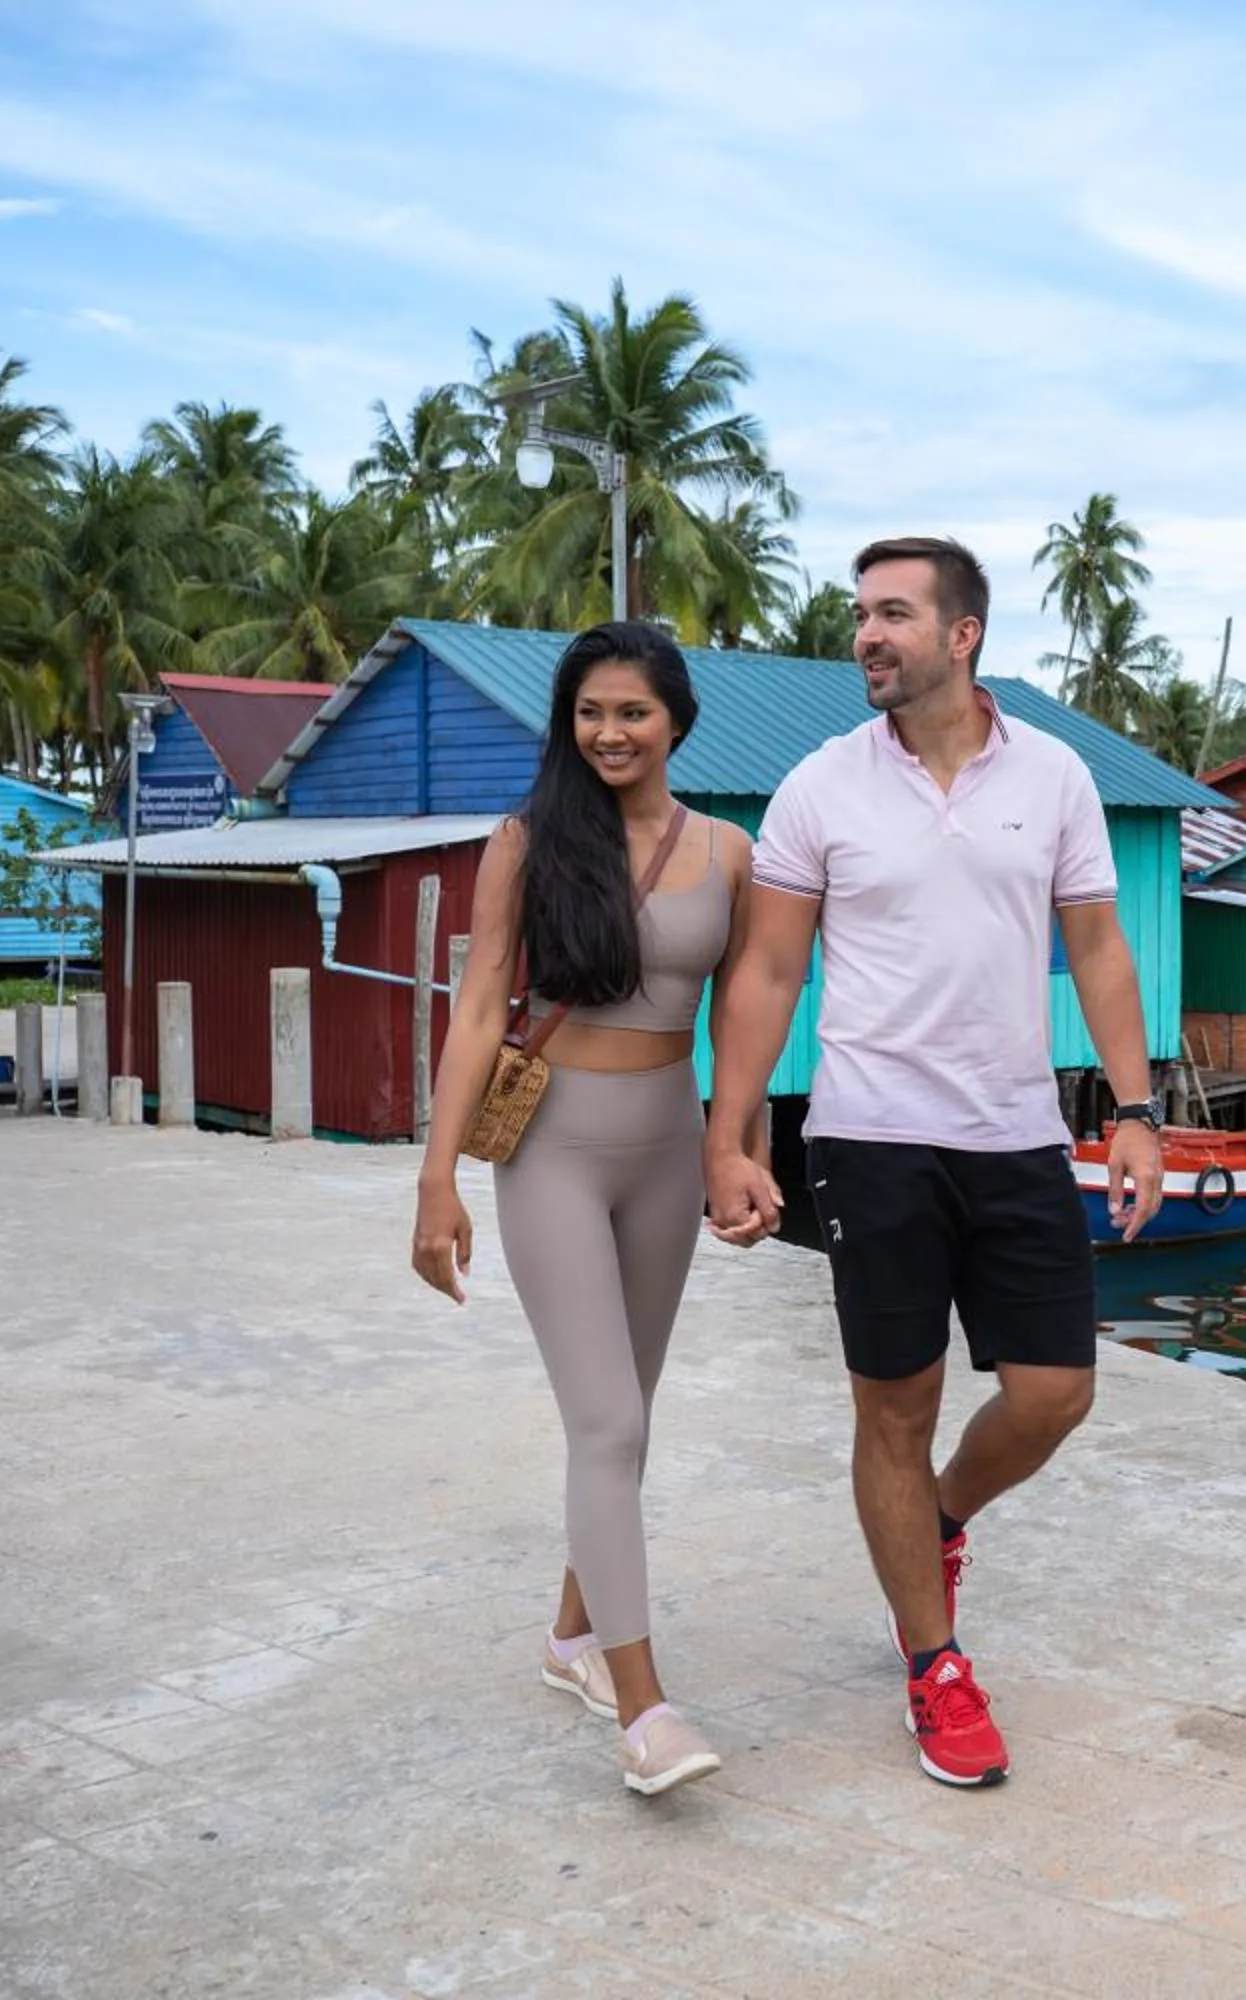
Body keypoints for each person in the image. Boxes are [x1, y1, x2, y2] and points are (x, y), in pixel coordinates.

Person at [704, 536, 1164, 1791]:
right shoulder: (819, 786)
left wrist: (1136, 1108)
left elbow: (1102, 948)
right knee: (891, 1404)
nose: (867, 633)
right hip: (869, 1135)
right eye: (861, 613)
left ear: (962, 634)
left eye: (894, 613)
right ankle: (933, 1663)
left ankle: (943, 1517)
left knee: (1057, 1390)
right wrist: (731, 1133)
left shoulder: (1056, 777)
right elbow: (765, 971)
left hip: (1017, 1130)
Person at [411, 622, 757, 1798]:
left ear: (677, 720)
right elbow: (475, 1013)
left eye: (633, 712)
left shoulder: (729, 852)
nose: (609, 733)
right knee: (607, 1423)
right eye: (589, 712)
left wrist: (733, 1153)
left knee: (630, 1415)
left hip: (666, 1146)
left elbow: (748, 1015)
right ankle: (645, 1707)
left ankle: (571, 1637)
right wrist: (434, 1177)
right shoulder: (525, 842)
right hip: (553, 1149)